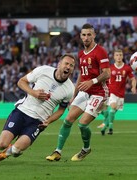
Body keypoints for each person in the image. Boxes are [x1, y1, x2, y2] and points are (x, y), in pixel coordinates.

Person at [0, 53, 76, 162]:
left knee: (16, 151)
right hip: (22, 112)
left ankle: (7, 153)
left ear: (73, 69)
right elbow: (21, 82)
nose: (68, 67)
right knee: (2, 143)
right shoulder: (43, 71)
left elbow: (61, 110)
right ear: (59, 64)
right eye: (66, 63)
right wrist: (33, 93)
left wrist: (48, 121)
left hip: (38, 122)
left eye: (71, 65)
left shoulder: (70, 89)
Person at [45, 23, 111, 161]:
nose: (86, 37)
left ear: (94, 35)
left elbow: (107, 73)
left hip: (99, 92)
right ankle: (57, 151)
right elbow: (82, 75)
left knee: (82, 124)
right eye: (83, 35)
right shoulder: (81, 54)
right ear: (80, 36)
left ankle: (86, 149)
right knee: (68, 120)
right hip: (84, 92)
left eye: (89, 35)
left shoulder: (100, 51)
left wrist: (91, 82)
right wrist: (73, 96)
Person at [98, 49, 137, 135]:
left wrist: (133, 87)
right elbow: (103, 78)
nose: (119, 57)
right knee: (112, 109)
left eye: (120, 55)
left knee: (112, 112)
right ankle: (111, 128)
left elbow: (133, 79)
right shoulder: (110, 68)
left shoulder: (127, 68)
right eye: (117, 55)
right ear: (114, 57)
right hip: (111, 93)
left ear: (122, 56)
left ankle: (104, 127)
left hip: (121, 94)